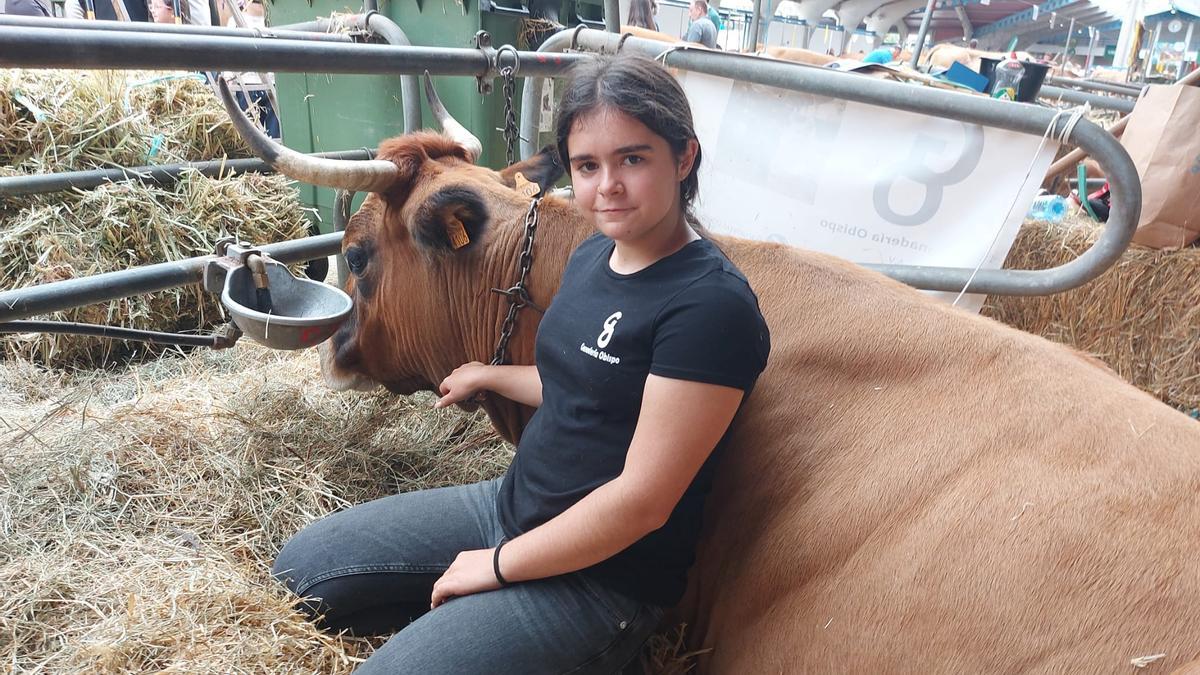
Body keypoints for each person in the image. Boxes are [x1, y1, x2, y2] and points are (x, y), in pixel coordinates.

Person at [270, 54, 770, 674]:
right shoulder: (598, 255)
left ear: (684, 158)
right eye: (588, 165)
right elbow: (583, 382)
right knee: (302, 572)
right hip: (510, 506)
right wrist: (489, 374)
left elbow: (644, 502)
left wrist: (497, 566)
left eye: (632, 159)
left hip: (599, 582)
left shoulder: (709, 307)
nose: (607, 185)